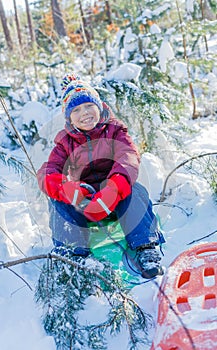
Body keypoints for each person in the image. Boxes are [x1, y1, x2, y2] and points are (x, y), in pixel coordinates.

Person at [37, 73, 165, 279]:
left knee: (136, 190)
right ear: (69, 118)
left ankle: (145, 246)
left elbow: (128, 157)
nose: (84, 113)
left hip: (116, 198)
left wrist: (114, 188)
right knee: (57, 202)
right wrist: (67, 190)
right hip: (85, 202)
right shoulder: (65, 143)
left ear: (99, 106)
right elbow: (47, 172)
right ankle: (73, 254)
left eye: (89, 106)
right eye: (76, 110)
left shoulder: (115, 131)